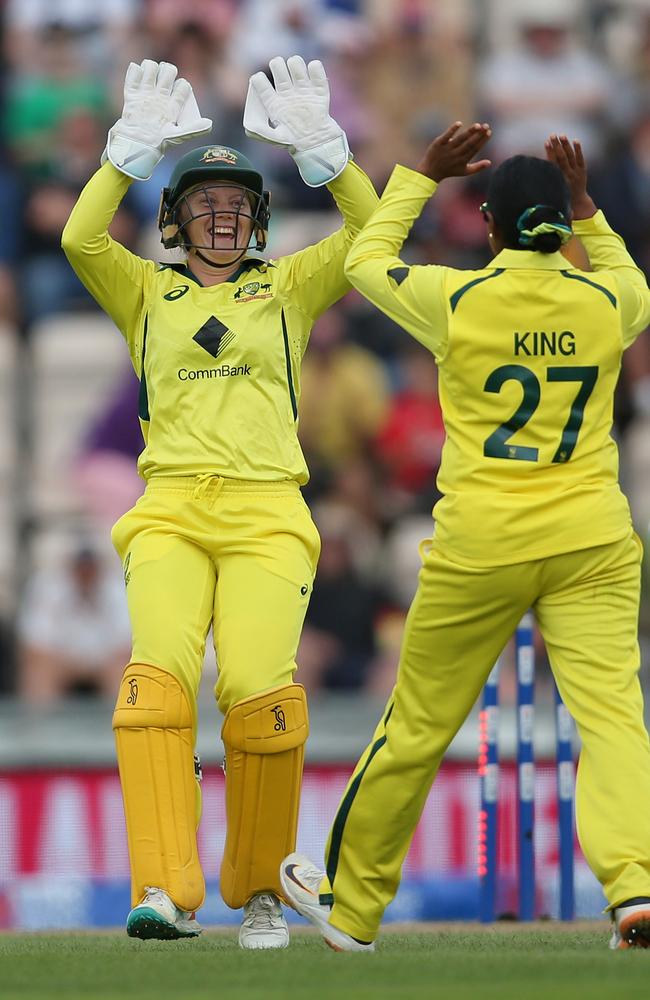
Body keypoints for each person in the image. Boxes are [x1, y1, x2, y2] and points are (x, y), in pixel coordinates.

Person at [279, 125, 650, 951]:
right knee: (615, 719)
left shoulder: (457, 299)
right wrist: (589, 209)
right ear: (559, 222)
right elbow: (630, 279)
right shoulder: (608, 303)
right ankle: (636, 887)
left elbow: (366, 264)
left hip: (481, 546)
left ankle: (351, 906)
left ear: (486, 224)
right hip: (592, 541)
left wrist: (416, 177)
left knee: (415, 726)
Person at [61, 56, 378, 948]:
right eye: (204, 204)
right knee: (153, 689)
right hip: (168, 510)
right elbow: (81, 242)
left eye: (237, 204)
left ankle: (262, 892)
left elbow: (373, 233)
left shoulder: (288, 286)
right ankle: (163, 888)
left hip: (269, 515)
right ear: (174, 219)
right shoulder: (144, 290)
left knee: (257, 694)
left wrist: (327, 150)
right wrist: (123, 155)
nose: (223, 215)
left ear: (261, 218)